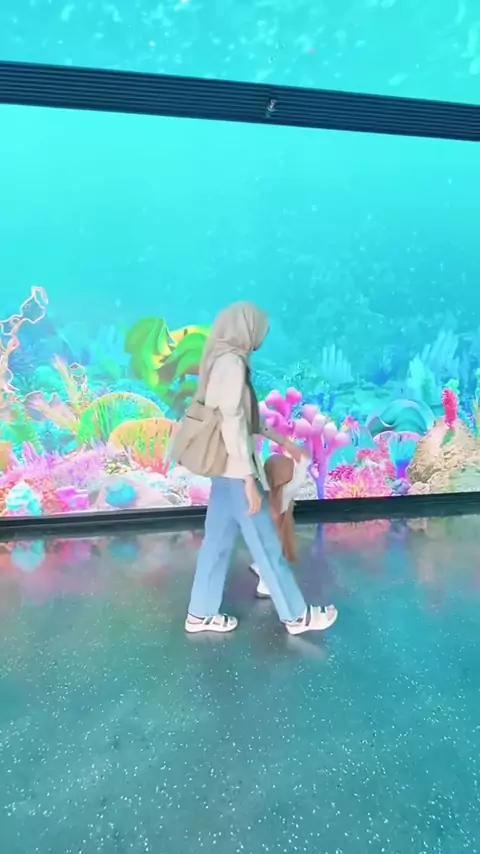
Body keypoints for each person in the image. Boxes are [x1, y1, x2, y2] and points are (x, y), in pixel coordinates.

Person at [185, 301, 338, 636]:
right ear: (246, 328)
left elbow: (246, 419)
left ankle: (200, 613)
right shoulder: (231, 365)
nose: (263, 337)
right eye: (261, 330)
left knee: (216, 544)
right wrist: (247, 481)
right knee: (266, 545)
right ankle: (296, 616)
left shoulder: (223, 360)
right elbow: (231, 423)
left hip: (226, 471)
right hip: (235, 471)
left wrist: (285, 442)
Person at [249, 452, 308, 598]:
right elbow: (299, 479)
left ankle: (258, 566)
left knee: (263, 552)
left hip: (258, 533)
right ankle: (264, 587)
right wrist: (303, 461)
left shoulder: (260, 491)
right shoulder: (284, 494)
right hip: (272, 536)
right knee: (272, 558)